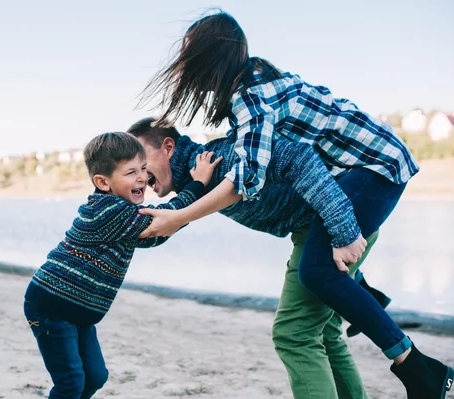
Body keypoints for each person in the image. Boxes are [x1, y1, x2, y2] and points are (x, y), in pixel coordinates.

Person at [136, 11, 453, 398]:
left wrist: (345, 231)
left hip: (376, 166)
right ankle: (377, 311)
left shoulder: (250, 97)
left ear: (212, 56)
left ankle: (418, 367)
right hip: (358, 174)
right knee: (323, 319)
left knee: (310, 291)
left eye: (191, 58)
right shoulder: (249, 95)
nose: (185, 69)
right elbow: (277, 170)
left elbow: (256, 175)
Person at [128, 118, 374, 398]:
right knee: (325, 333)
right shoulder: (195, 177)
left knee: (293, 335)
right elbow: (171, 220)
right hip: (335, 222)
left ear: (168, 147)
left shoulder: (214, 159)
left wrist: (341, 229)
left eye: (141, 161)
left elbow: (296, 156)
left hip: (334, 225)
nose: (139, 174)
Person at [23, 131, 220, 399]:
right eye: (130, 173)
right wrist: (198, 184)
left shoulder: (123, 214)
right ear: (103, 182)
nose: (141, 177)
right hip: (51, 305)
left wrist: (178, 214)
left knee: (95, 376)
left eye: (143, 168)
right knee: (70, 382)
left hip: (77, 310)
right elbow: (163, 222)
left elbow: (155, 236)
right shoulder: (109, 210)